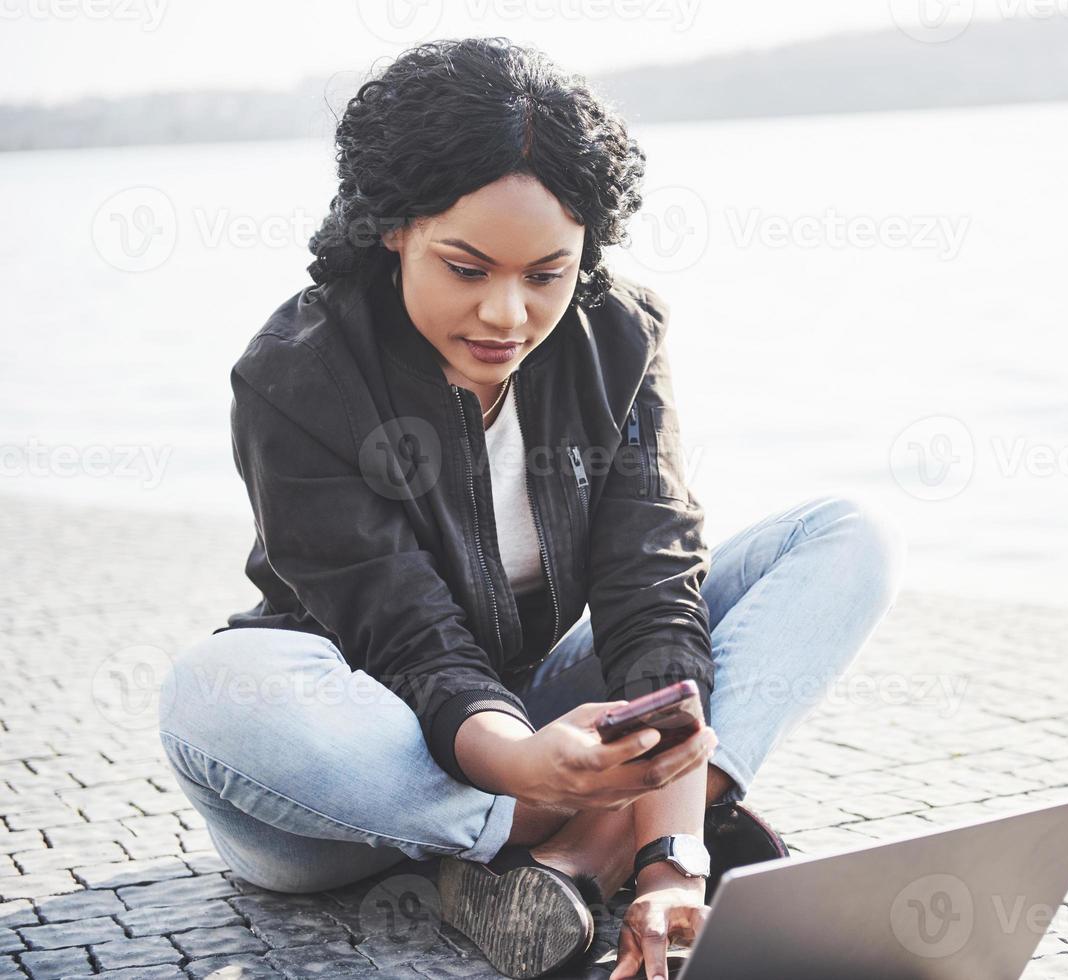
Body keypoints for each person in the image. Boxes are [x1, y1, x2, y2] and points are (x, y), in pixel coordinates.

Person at [156, 36, 904, 980]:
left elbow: (650, 588)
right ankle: (579, 827)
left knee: (843, 537)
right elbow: (405, 633)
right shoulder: (298, 372)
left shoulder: (616, 337)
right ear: (394, 228)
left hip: (552, 723)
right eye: (466, 269)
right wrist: (529, 767)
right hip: (368, 774)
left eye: (544, 275)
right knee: (208, 691)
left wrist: (675, 864)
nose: (507, 316)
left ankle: (583, 861)